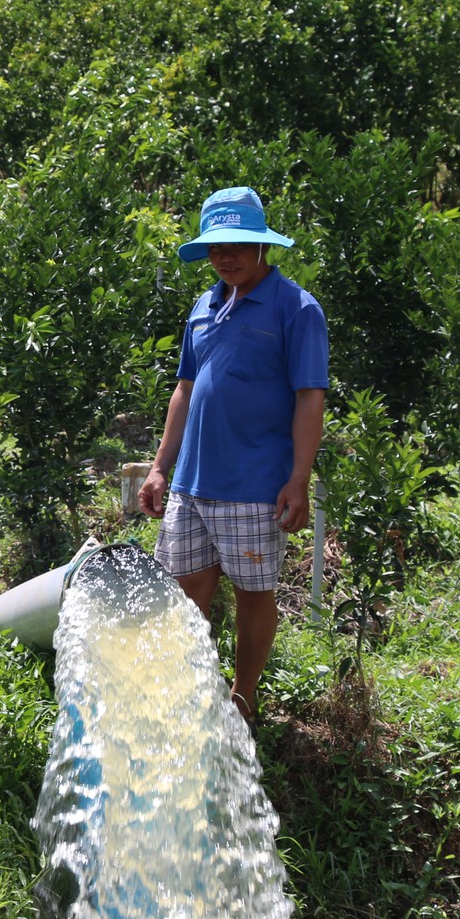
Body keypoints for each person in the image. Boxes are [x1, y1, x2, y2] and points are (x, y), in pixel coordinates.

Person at [138, 186, 328, 725]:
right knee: (184, 591)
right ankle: (194, 688)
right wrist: (159, 467)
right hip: (192, 483)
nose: (227, 256)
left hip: (255, 484)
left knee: (252, 592)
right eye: (217, 246)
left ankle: (243, 698)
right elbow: (185, 389)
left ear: (262, 245)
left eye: (239, 244)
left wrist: (298, 478)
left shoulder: (296, 308)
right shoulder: (205, 305)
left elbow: (309, 396)